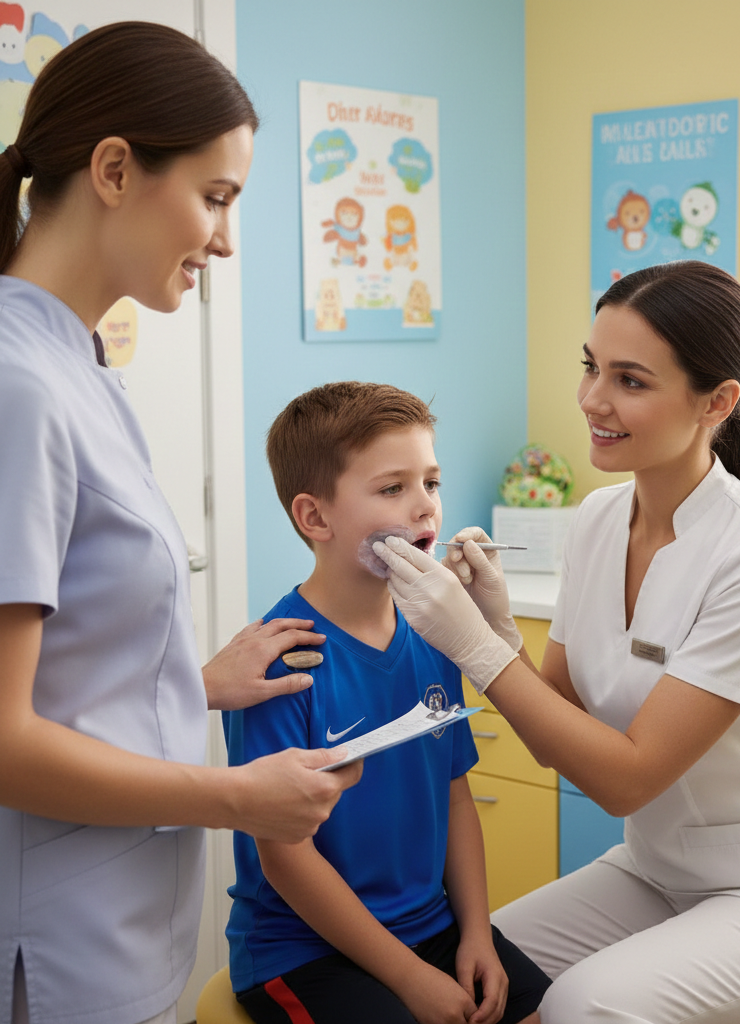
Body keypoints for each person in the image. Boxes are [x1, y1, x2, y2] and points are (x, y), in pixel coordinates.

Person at [373, 261, 740, 1024]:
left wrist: (474, 650)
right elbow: (558, 727)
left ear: (717, 402)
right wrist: (499, 632)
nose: (592, 399)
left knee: (585, 1008)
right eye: (590, 367)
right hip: (658, 870)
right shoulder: (597, 520)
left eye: (630, 380)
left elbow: (628, 779)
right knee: (469, 971)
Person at [0, 23, 361, 1024]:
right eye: (215, 197)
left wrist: (193, 683)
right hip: (60, 951)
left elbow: (61, 666)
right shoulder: (18, 384)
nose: (226, 239)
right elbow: (4, 737)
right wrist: (238, 795)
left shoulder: (80, 371)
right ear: (114, 168)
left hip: (119, 926)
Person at [223, 382, 549, 1024]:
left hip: (434, 926)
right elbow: (285, 858)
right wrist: (409, 980)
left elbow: (455, 794)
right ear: (315, 518)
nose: (425, 508)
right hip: (303, 952)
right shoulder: (280, 661)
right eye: (392, 488)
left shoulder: (436, 631)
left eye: (431, 482)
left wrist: (477, 934)